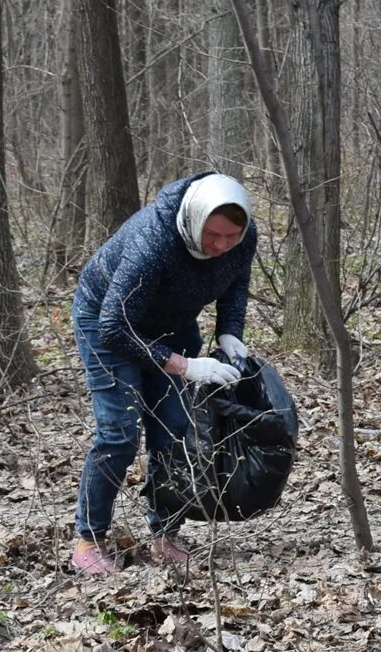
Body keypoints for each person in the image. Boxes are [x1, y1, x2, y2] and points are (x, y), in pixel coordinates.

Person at [69, 171, 258, 574]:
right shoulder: (154, 239)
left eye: (231, 237)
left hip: (173, 321)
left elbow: (236, 283)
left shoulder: (242, 238)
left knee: (173, 429)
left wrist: (229, 333)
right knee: (119, 431)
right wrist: (186, 366)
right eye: (214, 235)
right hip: (107, 321)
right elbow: (114, 327)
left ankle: (165, 533)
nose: (222, 246)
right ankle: (88, 539)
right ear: (195, 220)